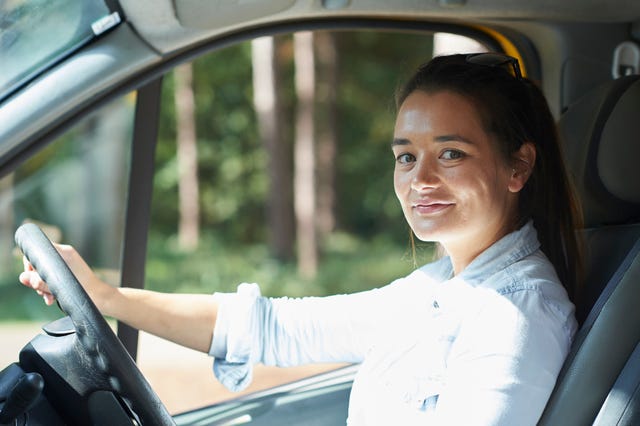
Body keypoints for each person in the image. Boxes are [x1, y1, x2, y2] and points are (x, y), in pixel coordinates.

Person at [19, 53, 583, 425]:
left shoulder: (514, 315)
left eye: (451, 153)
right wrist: (108, 297)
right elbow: (276, 328)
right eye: (406, 156)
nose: (420, 179)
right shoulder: (439, 289)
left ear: (517, 166)